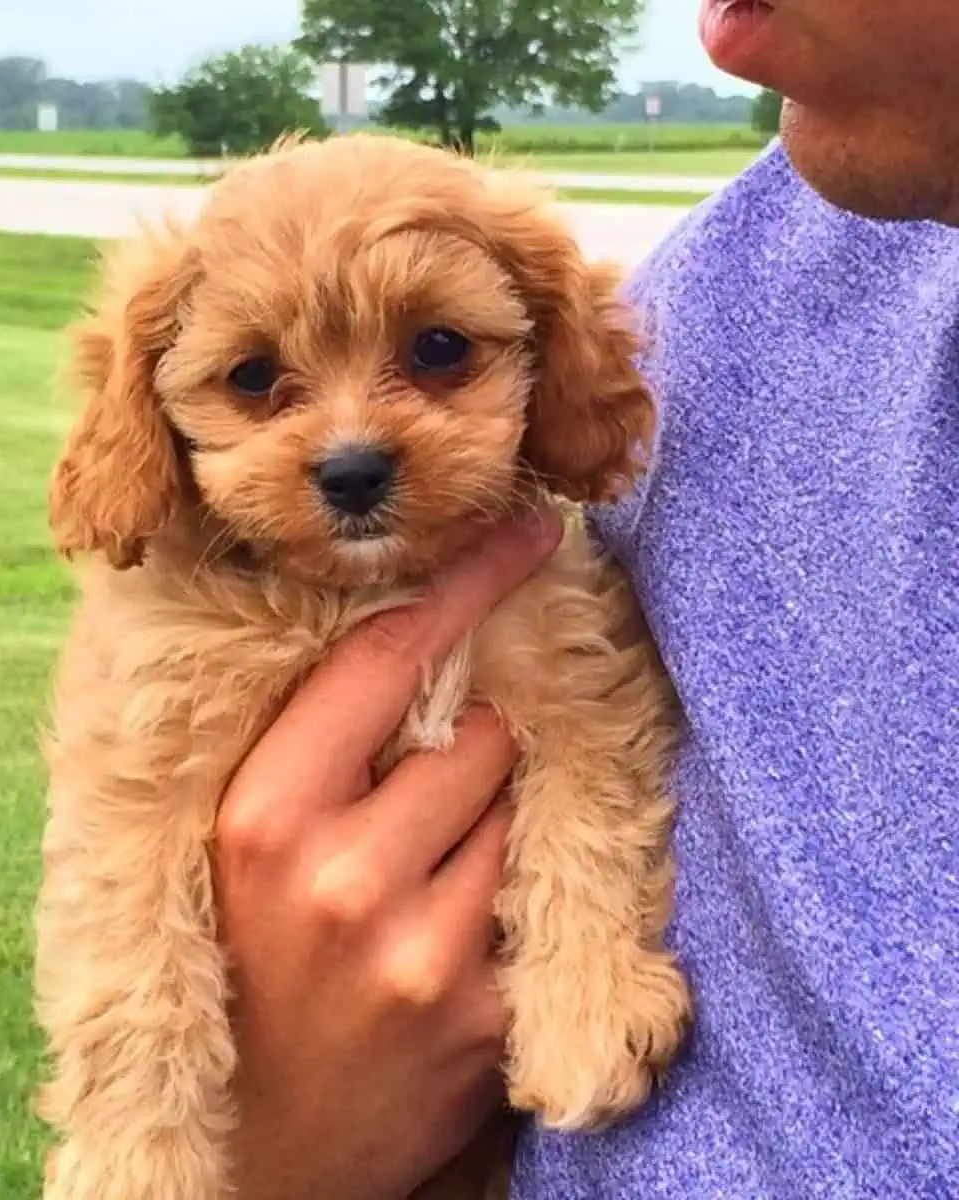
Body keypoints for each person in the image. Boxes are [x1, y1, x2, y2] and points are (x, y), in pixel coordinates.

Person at [213, 0, 959, 1195]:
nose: (351, 435)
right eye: (261, 379)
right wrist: (278, 1149)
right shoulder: (723, 315)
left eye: (439, 354)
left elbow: (595, 740)